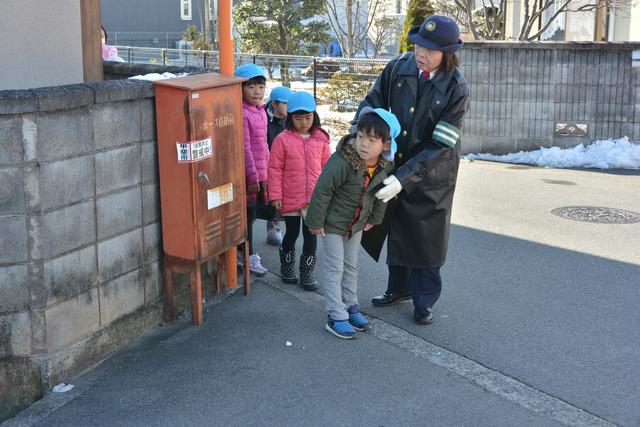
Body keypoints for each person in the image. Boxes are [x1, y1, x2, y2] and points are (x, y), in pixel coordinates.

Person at [355, 15, 470, 325]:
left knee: (426, 237)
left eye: (430, 50)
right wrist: (361, 132)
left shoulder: (456, 86)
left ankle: (424, 301)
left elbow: (441, 143)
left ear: (447, 53)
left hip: (433, 173)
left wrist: (403, 178)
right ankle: (398, 288)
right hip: (397, 159)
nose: (421, 53)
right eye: (419, 45)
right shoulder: (399, 66)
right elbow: (374, 99)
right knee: (396, 227)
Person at [306, 108, 400, 339]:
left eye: (371, 139)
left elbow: (381, 195)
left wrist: (374, 220)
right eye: (360, 136)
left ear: (386, 145)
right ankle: (335, 315)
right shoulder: (342, 161)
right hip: (333, 224)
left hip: (356, 224)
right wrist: (315, 222)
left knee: (351, 266)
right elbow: (322, 191)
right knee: (335, 267)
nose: (363, 144)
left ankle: (350, 305)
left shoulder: (384, 166)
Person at [268, 92, 331, 290]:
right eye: (298, 117)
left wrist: (329, 197)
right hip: (290, 195)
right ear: (290, 117)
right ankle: (287, 267)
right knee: (292, 233)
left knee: (311, 235)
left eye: (307, 117)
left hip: (314, 199)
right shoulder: (282, 139)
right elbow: (275, 169)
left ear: (314, 115)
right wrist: (275, 195)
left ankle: (307, 272)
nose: (303, 122)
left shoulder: (321, 139)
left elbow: (328, 170)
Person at [234, 63, 271, 276]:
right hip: (250, 175)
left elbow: (263, 144)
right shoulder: (242, 113)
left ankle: (243, 252)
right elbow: (245, 148)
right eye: (251, 87)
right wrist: (253, 176)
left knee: (253, 215)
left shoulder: (261, 111)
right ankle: (245, 255)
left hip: (261, 172)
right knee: (246, 217)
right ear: (240, 88)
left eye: (260, 87)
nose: (257, 92)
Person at [264, 86, 292, 246]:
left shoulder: (290, 119)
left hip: (284, 162)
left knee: (279, 196)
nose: (290, 108)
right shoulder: (263, 118)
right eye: (286, 104)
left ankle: (274, 227)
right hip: (266, 161)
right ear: (274, 104)